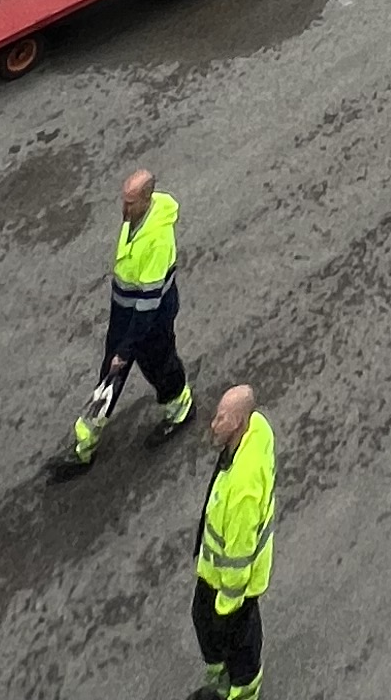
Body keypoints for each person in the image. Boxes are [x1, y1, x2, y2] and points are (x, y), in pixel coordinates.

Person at [63, 167, 194, 471]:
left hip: (150, 321)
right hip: (126, 314)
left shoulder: (157, 240)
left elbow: (148, 303)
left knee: (158, 367)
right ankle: (85, 444)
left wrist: (125, 349)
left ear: (147, 200)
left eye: (131, 202)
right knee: (112, 376)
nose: (124, 208)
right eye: (124, 200)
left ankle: (180, 408)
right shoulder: (138, 219)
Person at [194, 386, 278, 694]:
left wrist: (226, 607)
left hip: (232, 589)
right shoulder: (256, 430)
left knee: (238, 646)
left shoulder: (243, 491)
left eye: (222, 419)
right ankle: (221, 678)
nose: (214, 424)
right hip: (215, 575)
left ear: (240, 423)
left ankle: (240, 691)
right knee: (203, 622)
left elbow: (238, 556)